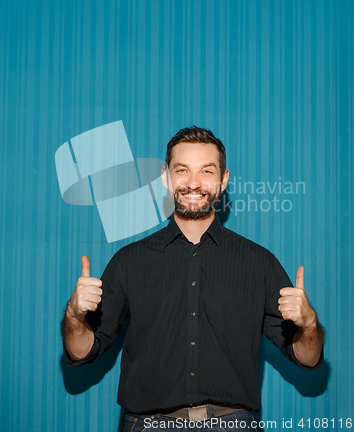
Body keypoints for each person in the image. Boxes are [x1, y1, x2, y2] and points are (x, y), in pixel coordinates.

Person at [62, 126, 324, 431]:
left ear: (223, 180)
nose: (193, 183)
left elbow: (308, 358)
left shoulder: (258, 263)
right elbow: (81, 351)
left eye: (207, 171)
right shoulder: (129, 262)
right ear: (165, 176)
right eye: (182, 170)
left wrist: (309, 325)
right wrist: (74, 316)